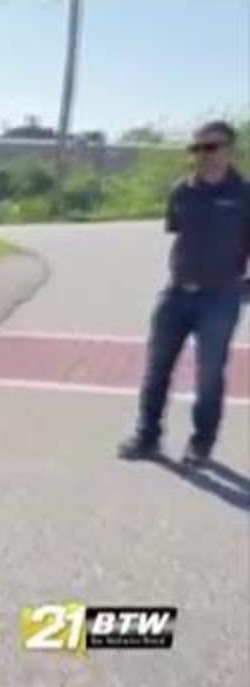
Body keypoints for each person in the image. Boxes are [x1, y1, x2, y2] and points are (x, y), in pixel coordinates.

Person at [118, 120, 249, 465]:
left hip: (219, 299)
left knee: (208, 376)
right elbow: (177, 231)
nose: (202, 155)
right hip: (175, 295)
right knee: (156, 368)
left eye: (211, 147)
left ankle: (201, 443)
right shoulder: (182, 191)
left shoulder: (245, 194)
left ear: (230, 150)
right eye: (197, 148)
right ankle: (147, 437)